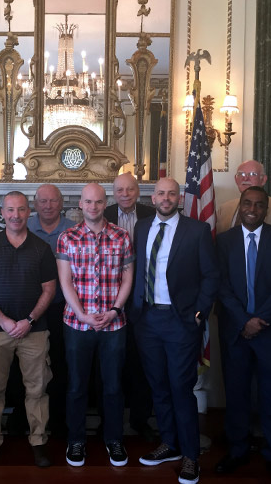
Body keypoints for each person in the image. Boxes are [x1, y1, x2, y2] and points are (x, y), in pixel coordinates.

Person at [129, 177, 219, 484]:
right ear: (152, 198)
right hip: (147, 321)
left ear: (179, 198)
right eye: (161, 193)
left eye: (171, 193)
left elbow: (210, 275)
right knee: (159, 387)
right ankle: (169, 444)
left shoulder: (197, 230)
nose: (166, 198)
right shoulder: (141, 228)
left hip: (180, 322)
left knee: (182, 389)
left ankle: (191, 456)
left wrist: (198, 313)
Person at [215, 186, 271, 484]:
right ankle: (237, 450)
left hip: (269, 332)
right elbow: (221, 285)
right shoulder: (224, 241)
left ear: (266, 209)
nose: (252, 208)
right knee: (236, 395)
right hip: (236, 330)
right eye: (247, 203)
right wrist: (244, 320)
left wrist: (259, 320)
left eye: (258, 205)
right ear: (240, 206)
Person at [0, 191, 57, 469]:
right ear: (2, 212)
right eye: (10, 210)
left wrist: (29, 320)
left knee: (37, 390)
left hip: (34, 331)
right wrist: (5, 321)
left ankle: (38, 442)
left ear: (28, 211)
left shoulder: (42, 248)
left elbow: (49, 289)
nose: (16, 216)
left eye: (21, 210)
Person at [56, 183, 134, 467]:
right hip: (77, 325)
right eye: (88, 202)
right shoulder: (67, 238)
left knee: (113, 386)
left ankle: (114, 439)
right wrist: (84, 315)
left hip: (114, 325)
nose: (93, 207)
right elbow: (65, 281)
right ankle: (76, 440)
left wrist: (114, 310)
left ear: (105, 203)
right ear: (81, 204)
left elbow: (128, 278)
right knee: (76, 385)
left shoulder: (122, 237)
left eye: (98, 202)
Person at [103, 172, 156, 441]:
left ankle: (139, 420)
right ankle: (108, 419)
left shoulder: (152, 213)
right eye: (120, 190)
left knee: (140, 363)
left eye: (130, 189)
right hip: (108, 300)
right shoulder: (102, 213)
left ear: (138, 191)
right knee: (110, 363)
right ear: (113, 193)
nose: (125, 194)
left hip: (143, 300)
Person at [27, 184, 74, 438]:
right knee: (31, 366)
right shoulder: (23, 228)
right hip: (31, 310)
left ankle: (58, 418)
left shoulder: (73, 231)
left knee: (60, 363)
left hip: (63, 309)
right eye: (42, 201)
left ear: (61, 203)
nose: (48, 206)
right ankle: (30, 420)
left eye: (53, 201)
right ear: (35, 204)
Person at [216, 160, 271, 234]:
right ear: (236, 179)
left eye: (252, 174)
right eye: (241, 174)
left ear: (263, 179)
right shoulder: (224, 209)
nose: (245, 178)